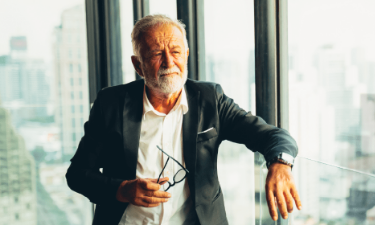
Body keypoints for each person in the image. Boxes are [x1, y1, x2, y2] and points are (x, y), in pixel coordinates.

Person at [66, 14, 302, 225]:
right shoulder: (111, 104)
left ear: (186, 54)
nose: (169, 62)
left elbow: (272, 135)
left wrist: (280, 163)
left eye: (176, 51)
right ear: (138, 65)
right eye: (157, 53)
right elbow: (77, 174)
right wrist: (122, 190)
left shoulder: (210, 100)